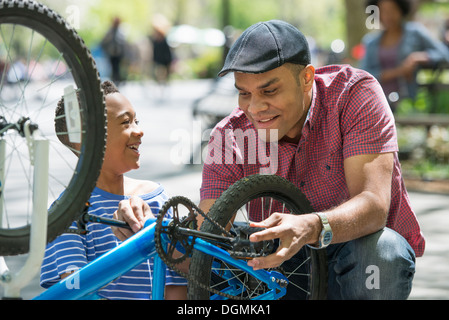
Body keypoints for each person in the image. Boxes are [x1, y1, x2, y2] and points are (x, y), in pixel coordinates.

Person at [114, 20, 425, 300]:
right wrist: (154, 239)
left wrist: (311, 226)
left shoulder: (355, 95)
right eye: (244, 93)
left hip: (358, 255)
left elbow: (373, 205)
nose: (256, 107)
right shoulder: (229, 135)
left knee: (384, 251)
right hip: (283, 268)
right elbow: (207, 246)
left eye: (269, 90)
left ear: (306, 78)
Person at [39, 81, 187, 300]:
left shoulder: (156, 197)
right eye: (126, 122)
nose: (139, 130)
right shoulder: (66, 214)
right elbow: (76, 291)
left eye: (137, 120)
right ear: (88, 139)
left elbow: (179, 282)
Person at [360, 0, 449, 112]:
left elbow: (444, 54)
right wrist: (399, 71)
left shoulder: (415, 32)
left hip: (406, 102)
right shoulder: (370, 42)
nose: (388, 15)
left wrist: (420, 57)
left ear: (401, 9)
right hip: (376, 103)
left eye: (392, 10)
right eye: (383, 11)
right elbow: (365, 73)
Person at [101, 17, 127, 84]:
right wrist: (107, 50)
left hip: (119, 54)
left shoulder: (121, 31)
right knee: (112, 67)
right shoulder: (110, 31)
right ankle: (114, 80)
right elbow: (104, 42)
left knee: (118, 68)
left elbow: (124, 44)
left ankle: (118, 80)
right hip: (111, 53)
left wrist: (124, 54)